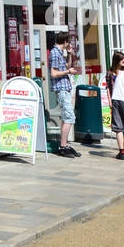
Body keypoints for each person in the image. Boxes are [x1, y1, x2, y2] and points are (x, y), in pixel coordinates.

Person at [49, 31, 80, 159]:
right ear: (65, 41)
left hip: (65, 89)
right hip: (61, 89)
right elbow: (53, 73)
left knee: (66, 117)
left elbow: (67, 66)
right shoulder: (55, 53)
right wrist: (68, 71)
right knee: (69, 117)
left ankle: (65, 144)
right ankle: (63, 146)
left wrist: (69, 55)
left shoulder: (60, 53)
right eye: (68, 42)